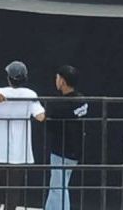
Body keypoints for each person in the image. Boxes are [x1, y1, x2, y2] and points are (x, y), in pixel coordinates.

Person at [0, 62, 46, 210]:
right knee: (13, 192)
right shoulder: (30, 94)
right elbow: (40, 116)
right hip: (19, 154)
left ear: (8, 78)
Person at [41, 67, 88, 210]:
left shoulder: (60, 105)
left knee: (58, 188)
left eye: (57, 78)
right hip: (75, 151)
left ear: (62, 81)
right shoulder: (82, 101)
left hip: (61, 151)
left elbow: (49, 123)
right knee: (59, 184)